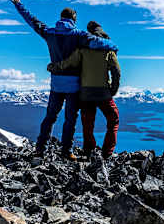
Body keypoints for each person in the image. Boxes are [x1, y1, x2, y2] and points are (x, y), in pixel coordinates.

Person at [9, 0, 118, 161]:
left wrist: (19, 5)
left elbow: (32, 20)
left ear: (60, 18)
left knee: (50, 117)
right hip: (74, 86)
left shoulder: (49, 33)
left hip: (56, 85)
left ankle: (40, 150)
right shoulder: (79, 35)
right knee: (70, 119)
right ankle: (66, 151)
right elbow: (99, 43)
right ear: (74, 19)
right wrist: (113, 46)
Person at [47, 20, 120, 160]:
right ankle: (107, 153)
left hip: (85, 93)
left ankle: (89, 150)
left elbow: (67, 63)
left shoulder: (82, 48)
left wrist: (53, 67)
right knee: (113, 119)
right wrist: (113, 90)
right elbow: (116, 71)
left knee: (88, 123)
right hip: (103, 93)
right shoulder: (108, 50)